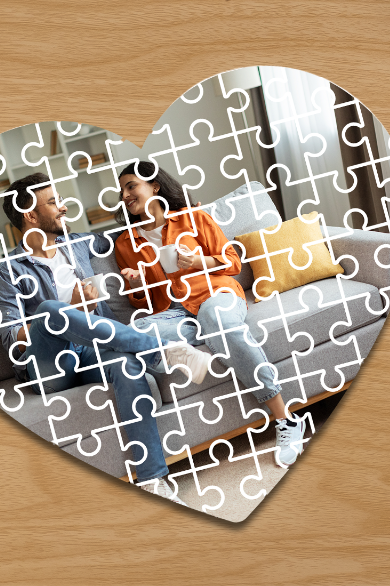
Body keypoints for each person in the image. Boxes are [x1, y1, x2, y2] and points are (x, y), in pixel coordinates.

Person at [0, 172, 213, 505]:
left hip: (95, 349)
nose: (63, 208)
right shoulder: (8, 270)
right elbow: (12, 338)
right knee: (52, 309)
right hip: (52, 366)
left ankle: (151, 481)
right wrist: (68, 310)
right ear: (30, 215)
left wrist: (185, 216)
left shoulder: (80, 242)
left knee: (126, 366)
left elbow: (135, 230)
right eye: (53, 202)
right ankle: (163, 351)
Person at [114, 162, 313, 468]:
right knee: (134, 330)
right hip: (173, 313)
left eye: (131, 186)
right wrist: (137, 286)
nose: (125, 194)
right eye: (122, 190)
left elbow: (232, 262)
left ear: (154, 187)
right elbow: (145, 304)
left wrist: (197, 262)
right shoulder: (125, 242)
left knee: (216, 321)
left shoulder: (193, 217)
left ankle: (286, 420)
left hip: (215, 295)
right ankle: (182, 353)